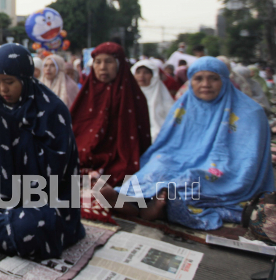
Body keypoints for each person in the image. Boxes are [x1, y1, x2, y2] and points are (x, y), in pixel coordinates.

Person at [98, 57, 275, 230]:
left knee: (192, 177)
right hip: (179, 160)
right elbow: (166, 143)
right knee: (159, 163)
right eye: (198, 78)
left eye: (213, 78)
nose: (205, 84)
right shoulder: (184, 105)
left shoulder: (250, 112)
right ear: (190, 81)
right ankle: (134, 202)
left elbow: (248, 160)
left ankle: (157, 207)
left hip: (224, 169)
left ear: (225, 80)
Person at [0, 43, 84, 260]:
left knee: (32, 226)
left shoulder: (53, 110)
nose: (2, 89)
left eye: (9, 82)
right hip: (0, 200)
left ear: (25, 78)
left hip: (45, 202)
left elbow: (59, 169)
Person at [70, 42, 151, 186]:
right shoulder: (87, 93)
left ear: (120, 64)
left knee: (121, 176)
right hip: (83, 158)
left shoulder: (133, 96)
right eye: (98, 62)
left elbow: (136, 139)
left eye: (109, 62)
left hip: (119, 160)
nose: (102, 67)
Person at [131, 60, 175, 141]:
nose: (141, 76)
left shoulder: (162, 94)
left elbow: (172, 118)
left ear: (153, 75)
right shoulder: (129, 94)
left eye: (146, 73)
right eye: (138, 72)